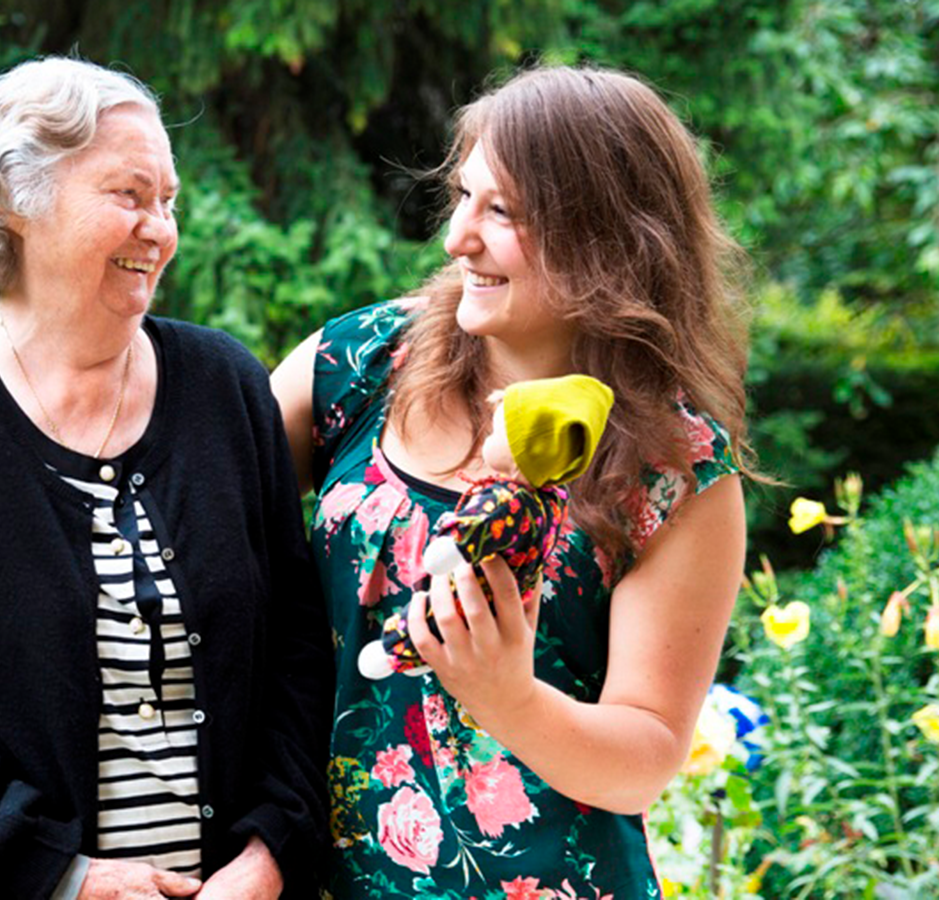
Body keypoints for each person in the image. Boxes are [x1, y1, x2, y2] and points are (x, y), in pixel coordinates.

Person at [0, 57, 331, 900]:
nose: (159, 229)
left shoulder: (224, 385)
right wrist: (62, 875)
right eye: (129, 196)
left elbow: (294, 646)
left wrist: (271, 849)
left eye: (167, 202)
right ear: (13, 202)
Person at [271, 66, 752, 898]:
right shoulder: (358, 363)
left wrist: (509, 699)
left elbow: (642, 758)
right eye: (462, 197)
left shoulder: (676, 468)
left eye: (501, 212)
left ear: (607, 239)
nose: (459, 237)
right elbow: (193, 520)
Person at [358, 374, 615, 681]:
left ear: (524, 451)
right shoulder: (552, 500)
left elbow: (478, 525)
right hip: (511, 594)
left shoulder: (508, 500)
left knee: (436, 610)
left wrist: (452, 544)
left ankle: (392, 652)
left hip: (479, 584)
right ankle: (422, 654)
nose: (488, 438)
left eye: (496, 433)